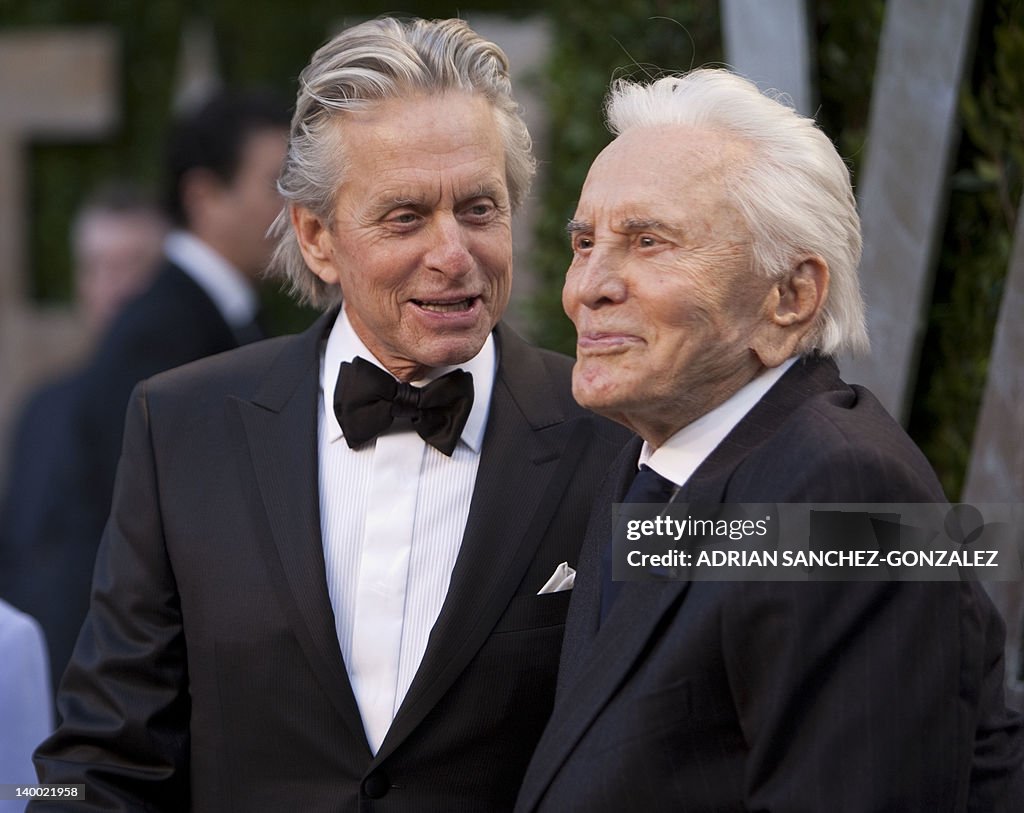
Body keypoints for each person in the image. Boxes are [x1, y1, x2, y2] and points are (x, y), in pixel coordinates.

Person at [32, 17, 628, 812]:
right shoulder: (180, 427)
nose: (453, 252)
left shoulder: (618, 434)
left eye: (479, 209)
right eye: (406, 216)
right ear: (317, 237)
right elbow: (100, 760)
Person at [515, 70, 1024, 812]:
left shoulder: (847, 491)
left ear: (790, 297)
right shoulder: (647, 459)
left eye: (648, 241)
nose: (586, 286)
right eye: (584, 242)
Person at [0, 183, 167, 698]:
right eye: (97, 266)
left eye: (131, 266)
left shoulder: (186, 406)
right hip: (37, 690)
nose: (113, 287)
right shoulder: (41, 408)